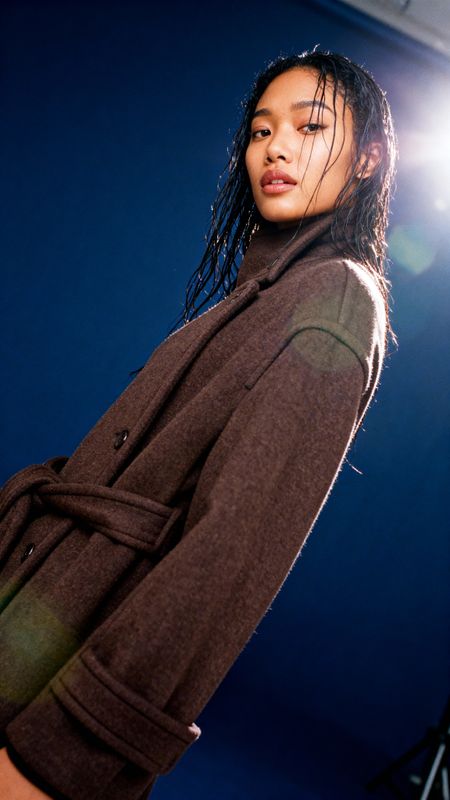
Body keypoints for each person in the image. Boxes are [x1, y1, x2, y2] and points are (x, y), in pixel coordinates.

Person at [0, 49, 397, 799]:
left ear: (370, 158)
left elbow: (229, 557)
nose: (274, 148)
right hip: (34, 614)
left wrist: (64, 754)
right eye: (259, 130)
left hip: (63, 673)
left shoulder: (337, 301)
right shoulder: (270, 289)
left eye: (310, 126)